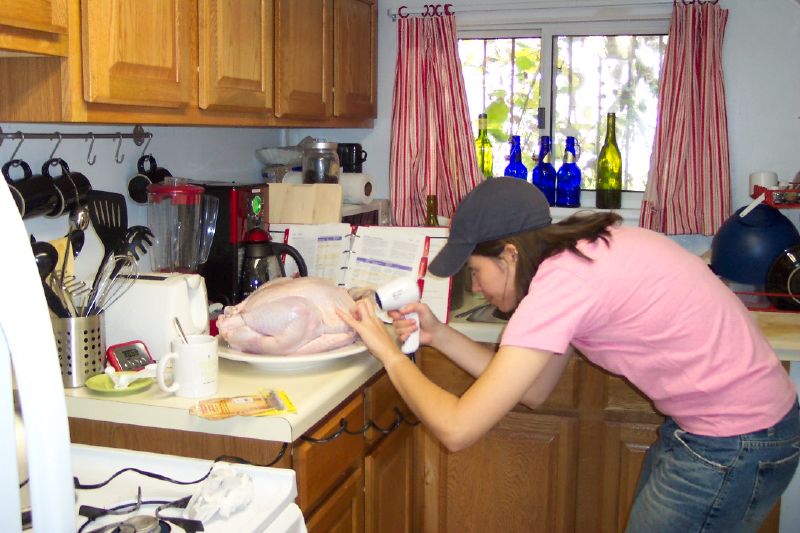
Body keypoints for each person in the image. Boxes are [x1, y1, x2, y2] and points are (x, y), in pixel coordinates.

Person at [336, 177, 800, 532]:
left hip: (734, 440)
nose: (475, 286)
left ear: (510, 255)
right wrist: (438, 335)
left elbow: (457, 430)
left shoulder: (562, 284)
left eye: (476, 271)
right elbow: (535, 390)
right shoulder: (576, 257)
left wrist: (387, 352)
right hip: (730, 430)